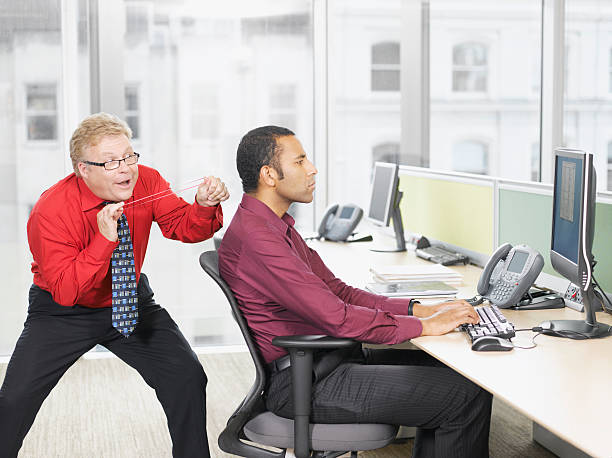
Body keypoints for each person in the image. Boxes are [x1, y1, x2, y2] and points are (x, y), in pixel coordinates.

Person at [218, 125, 493, 458]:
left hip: (323, 361)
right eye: (301, 161)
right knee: (464, 396)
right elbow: (337, 317)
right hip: (304, 382)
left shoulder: (273, 227)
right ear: (269, 175)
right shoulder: (259, 239)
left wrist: (418, 310)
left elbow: (339, 292)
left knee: (456, 373)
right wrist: (425, 327)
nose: (312, 168)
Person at [0, 112, 229, 458]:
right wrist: (103, 241)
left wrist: (203, 205)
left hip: (128, 298)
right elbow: (65, 291)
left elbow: (184, 227)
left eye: (128, 156)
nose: (125, 169)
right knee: (15, 400)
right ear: (83, 169)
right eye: (110, 162)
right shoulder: (50, 210)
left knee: (186, 375)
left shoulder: (147, 181)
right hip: (62, 311)